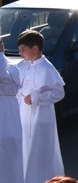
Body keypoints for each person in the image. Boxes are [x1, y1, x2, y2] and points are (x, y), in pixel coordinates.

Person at [14, 28, 65, 183]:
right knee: (23, 148)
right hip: (22, 113)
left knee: (39, 149)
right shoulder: (22, 65)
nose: (20, 53)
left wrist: (36, 97)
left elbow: (58, 93)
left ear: (35, 48)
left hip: (40, 116)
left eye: (23, 49)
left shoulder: (47, 68)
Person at [0, 37, 24, 183]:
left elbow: (12, 79)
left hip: (9, 109)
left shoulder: (9, 64)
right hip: (7, 107)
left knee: (10, 145)